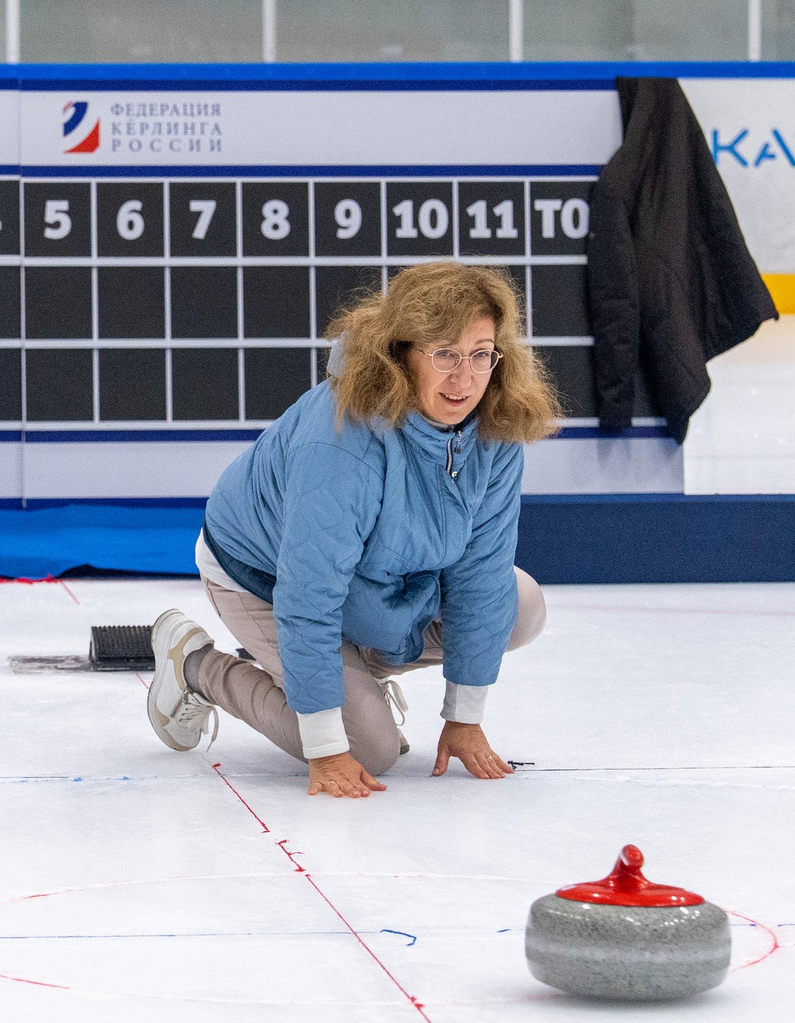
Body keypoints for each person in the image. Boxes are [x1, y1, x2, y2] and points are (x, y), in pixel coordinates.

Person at [144, 262, 555, 797]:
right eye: (444, 354)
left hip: (372, 582)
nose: (464, 378)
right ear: (401, 354)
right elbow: (308, 592)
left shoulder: (494, 427)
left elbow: (481, 573)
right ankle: (198, 668)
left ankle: (345, 675)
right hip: (262, 580)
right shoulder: (344, 436)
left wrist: (464, 717)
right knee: (369, 750)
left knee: (521, 605)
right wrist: (326, 745)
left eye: (480, 353)